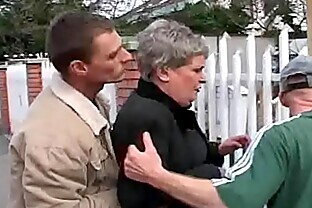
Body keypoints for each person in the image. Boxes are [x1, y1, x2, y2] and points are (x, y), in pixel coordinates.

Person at [122, 54, 312, 208]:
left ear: (282, 96)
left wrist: (156, 175)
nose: (202, 78)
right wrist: (216, 151)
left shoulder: (282, 138)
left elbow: (236, 198)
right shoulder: (153, 113)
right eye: (197, 70)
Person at [111, 19, 250, 208]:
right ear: (163, 72)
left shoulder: (172, 109)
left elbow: (182, 156)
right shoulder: (146, 118)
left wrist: (217, 151)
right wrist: (210, 176)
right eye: (196, 70)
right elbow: (142, 198)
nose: (202, 78)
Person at [8, 11, 132, 207]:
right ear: (79, 68)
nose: (126, 57)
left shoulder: (93, 100)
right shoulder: (53, 139)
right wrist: (128, 193)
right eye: (113, 55)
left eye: (122, 47)